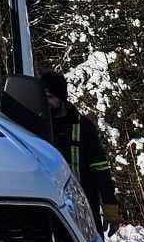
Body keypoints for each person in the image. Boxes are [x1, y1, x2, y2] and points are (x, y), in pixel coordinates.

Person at [41, 70, 119, 233]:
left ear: (61, 98)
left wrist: (110, 210)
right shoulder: (37, 127)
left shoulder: (84, 127)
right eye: (42, 97)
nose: (45, 102)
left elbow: (101, 171)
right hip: (51, 210)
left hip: (85, 210)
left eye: (49, 97)